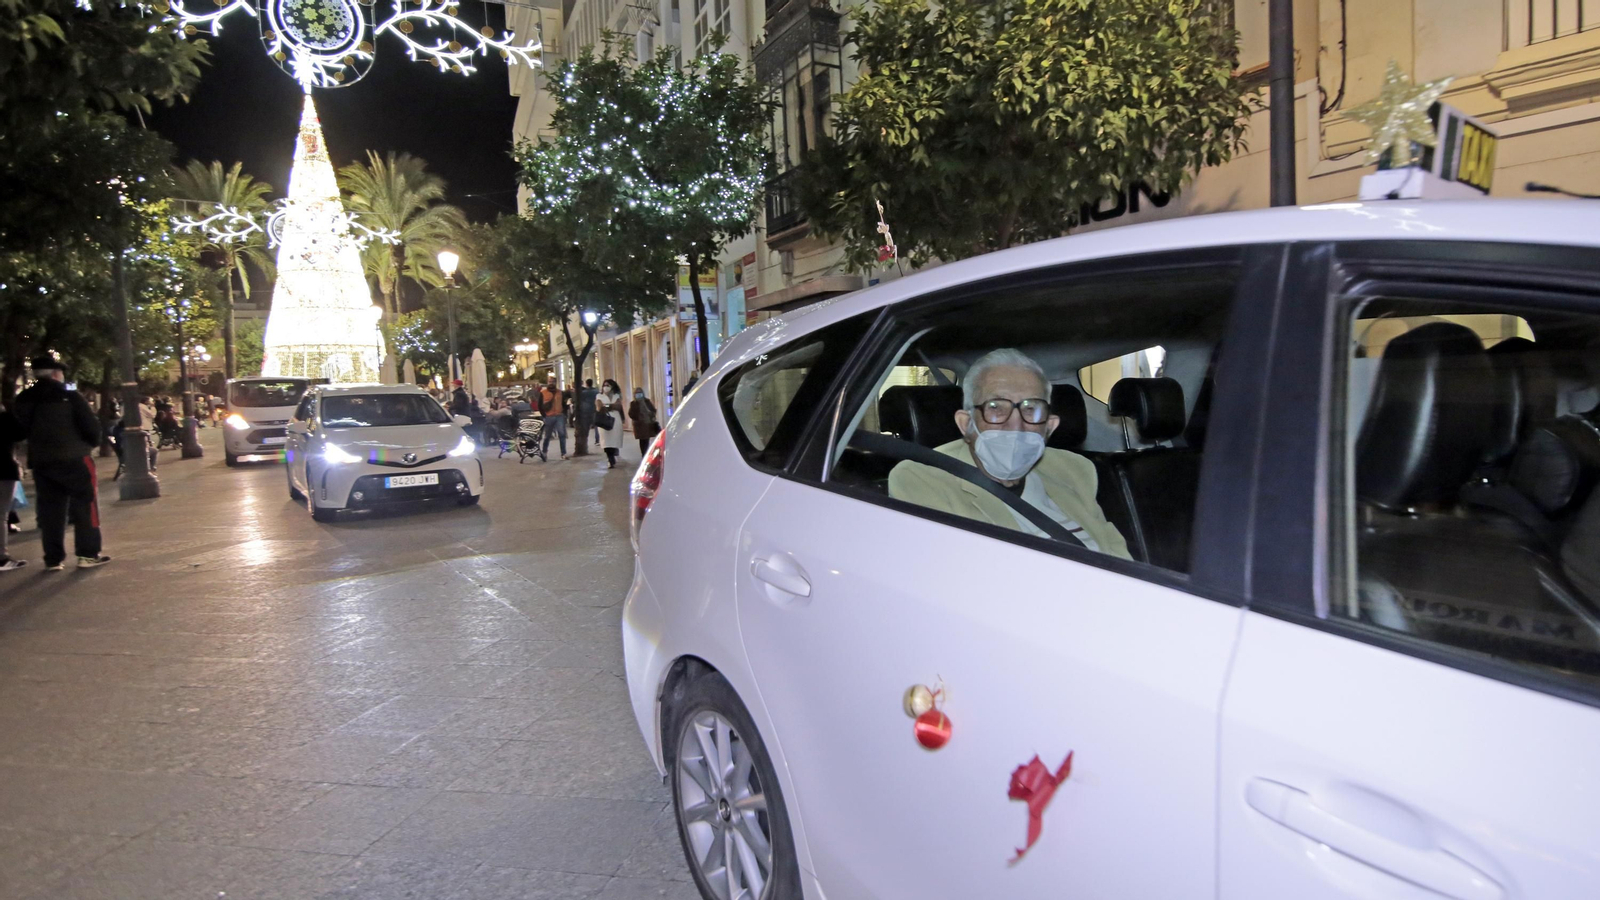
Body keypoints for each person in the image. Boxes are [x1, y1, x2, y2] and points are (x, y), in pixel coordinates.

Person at [887, 348, 1129, 558]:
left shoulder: (1075, 470)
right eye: (995, 408)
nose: (1015, 424)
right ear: (966, 424)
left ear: (1050, 426)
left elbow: (1119, 558)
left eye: (1031, 408)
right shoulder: (921, 480)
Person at [14, 357, 111, 570]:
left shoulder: (24, 398)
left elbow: (18, 431)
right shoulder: (70, 396)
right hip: (75, 458)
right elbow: (91, 427)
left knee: (50, 511)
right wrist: (88, 444)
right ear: (57, 374)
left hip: (42, 461)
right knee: (86, 506)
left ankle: (53, 558)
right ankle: (87, 554)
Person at [0, 404, 25, 570]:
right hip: (3, 468)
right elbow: (21, 433)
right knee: (1, 514)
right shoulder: (5, 418)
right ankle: (1, 557)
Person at [595, 379, 625, 468]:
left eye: (608, 385)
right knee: (606, 440)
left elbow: (618, 406)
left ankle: (613, 453)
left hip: (616, 420)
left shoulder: (616, 396)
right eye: (604, 385)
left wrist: (607, 405)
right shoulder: (599, 396)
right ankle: (610, 458)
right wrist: (611, 406)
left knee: (614, 439)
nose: (606, 387)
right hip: (604, 419)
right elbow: (599, 407)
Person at [539, 377, 568, 459]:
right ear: (547, 382)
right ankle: (544, 452)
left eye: (553, 381)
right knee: (547, 436)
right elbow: (540, 405)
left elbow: (564, 403)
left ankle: (563, 453)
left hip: (559, 415)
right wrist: (544, 415)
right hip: (549, 416)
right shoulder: (543, 393)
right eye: (550, 381)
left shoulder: (560, 392)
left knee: (562, 434)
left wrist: (563, 413)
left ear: (555, 382)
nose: (551, 383)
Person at [628, 387, 658, 457]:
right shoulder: (633, 403)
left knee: (646, 440)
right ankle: (644, 454)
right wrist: (637, 416)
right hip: (639, 425)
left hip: (647, 424)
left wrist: (651, 414)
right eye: (637, 393)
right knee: (642, 441)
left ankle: (645, 454)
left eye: (640, 392)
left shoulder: (647, 401)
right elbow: (631, 414)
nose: (639, 394)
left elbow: (653, 410)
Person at [577, 378, 600, 445]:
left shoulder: (584, 393)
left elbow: (581, 401)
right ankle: (597, 440)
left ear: (586, 384)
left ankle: (585, 440)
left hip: (586, 411)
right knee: (596, 426)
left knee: (586, 427)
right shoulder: (596, 391)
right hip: (595, 410)